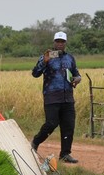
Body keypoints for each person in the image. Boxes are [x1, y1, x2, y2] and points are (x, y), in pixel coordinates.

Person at [31, 31, 82, 164]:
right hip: (52, 96)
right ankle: (35, 142)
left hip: (68, 98)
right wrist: (44, 62)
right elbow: (35, 73)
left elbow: (76, 74)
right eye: (57, 41)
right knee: (51, 123)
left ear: (65, 43)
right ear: (54, 42)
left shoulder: (70, 58)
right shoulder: (48, 56)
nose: (60, 44)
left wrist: (77, 79)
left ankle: (65, 154)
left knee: (69, 126)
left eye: (62, 42)